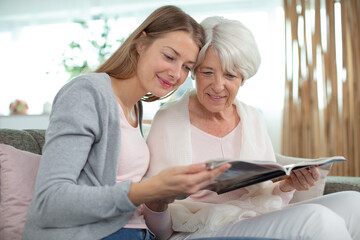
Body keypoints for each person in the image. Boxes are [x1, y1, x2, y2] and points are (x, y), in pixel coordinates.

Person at [22, 6, 230, 240]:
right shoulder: (87, 93)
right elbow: (50, 201)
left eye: (186, 67)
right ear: (141, 44)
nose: (175, 74)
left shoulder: (135, 108)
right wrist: (148, 189)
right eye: (169, 57)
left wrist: (158, 199)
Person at [144, 16, 360, 240]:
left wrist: (288, 185)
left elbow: (266, 199)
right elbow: (155, 212)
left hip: (250, 218)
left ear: (243, 78)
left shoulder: (252, 117)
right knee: (318, 219)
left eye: (230, 75)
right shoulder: (167, 120)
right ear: (194, 72)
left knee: (354, 203)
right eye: (207, 72)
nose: (217, 86)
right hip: (197, 230)